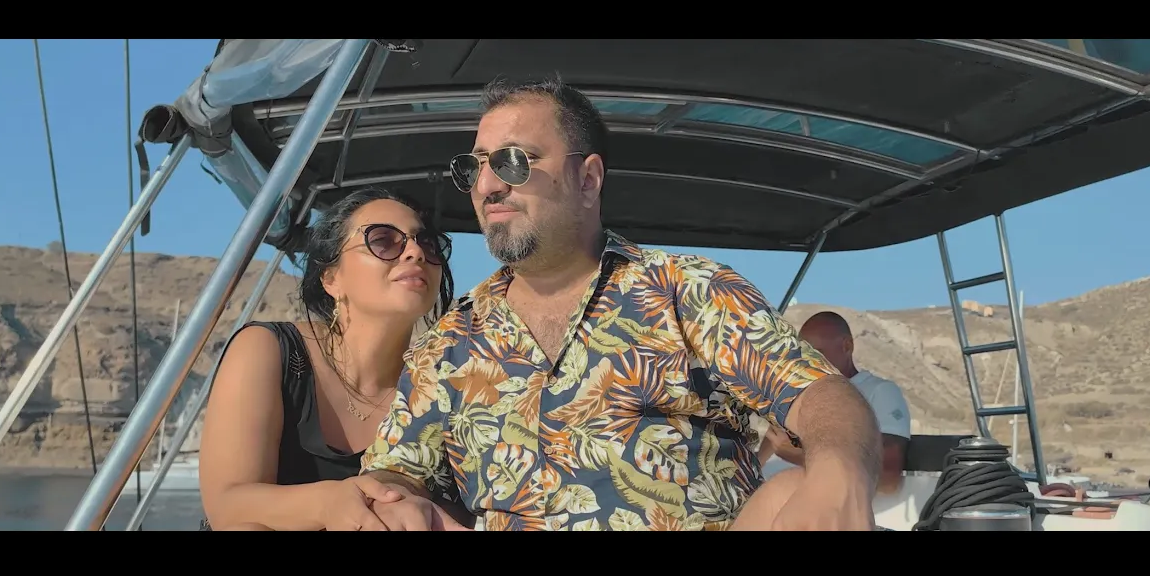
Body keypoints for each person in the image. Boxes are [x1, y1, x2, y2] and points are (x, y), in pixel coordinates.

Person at [352, 74, 883, 531]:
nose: (487, 184)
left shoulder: (688, 291)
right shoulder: (451, 341)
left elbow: (819, 394)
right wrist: (397, 499)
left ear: (587, 179)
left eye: (514, 162)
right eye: (475, 167)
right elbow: (397, 469)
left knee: (795, 491)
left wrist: (839, 472)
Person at [198, 186, 470, 531]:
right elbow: (227, 506)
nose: (415, 252)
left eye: (428, 243)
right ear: (331, 278)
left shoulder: (445, 382)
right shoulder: (269, 350)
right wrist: (331, 503)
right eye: (383, 240)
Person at [757, 311, 911, 494]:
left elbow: (888, 478)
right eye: (802, 355)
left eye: (816, 353)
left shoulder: (880, 392)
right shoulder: (799, 394)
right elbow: (759, 462)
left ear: (847, 346)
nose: (807, 362)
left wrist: (801, 456)